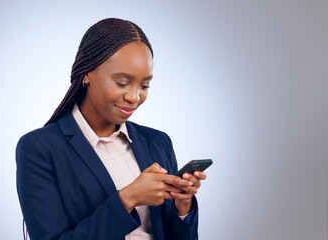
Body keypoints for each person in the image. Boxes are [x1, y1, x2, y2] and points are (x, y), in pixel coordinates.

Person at [16, 18, 207, 240]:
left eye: (144, 85)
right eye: (122, 83)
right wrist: (128, 198)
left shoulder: (157, 142)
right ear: (87, 74)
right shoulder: (40, 148)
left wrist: (182, 204)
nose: (135, 97)